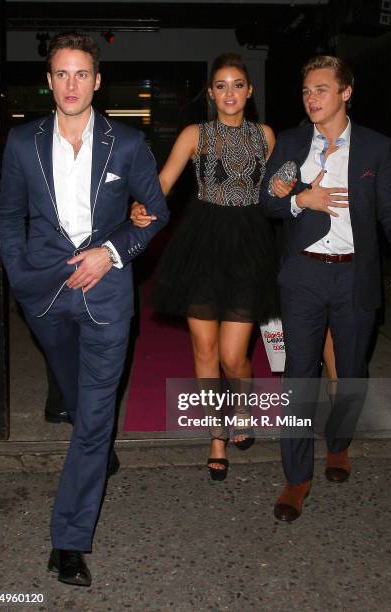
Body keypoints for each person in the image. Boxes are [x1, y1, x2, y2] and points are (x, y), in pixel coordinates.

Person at [0, 32, 169, 586]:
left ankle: (68, 542)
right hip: (44, 293)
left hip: (108, 292)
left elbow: (157, 211)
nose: (72, 85)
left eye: (82, 74)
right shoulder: (22, 143)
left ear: (97, 81)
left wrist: (113, 250)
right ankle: (95, 444)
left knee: (94, 417)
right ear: (49, 81)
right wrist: (20, 277)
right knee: (73, 395)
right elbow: (9, 218)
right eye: (61, 74)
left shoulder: (127, 144)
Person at [260, 55, 391, 522]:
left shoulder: (374, 148)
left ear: (345, 93)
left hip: (354, 274)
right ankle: (295, 478)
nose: (312, 98)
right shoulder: (290, 145)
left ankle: (339, 445)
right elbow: (269, 203)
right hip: (304, 275)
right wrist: (299, 200)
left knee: (350, 371)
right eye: (307, 90)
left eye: (321, 89)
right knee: (298, 376)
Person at [131, 53, 287, 480]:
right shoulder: (194, 135)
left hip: (249, 246)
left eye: (238, 84)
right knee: (204, 349)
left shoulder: (266, 136)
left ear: (249, 91)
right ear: (212, 93)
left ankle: (242, 406)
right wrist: (143, 205)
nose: (230, 93)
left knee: (235, 355)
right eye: (221, 85)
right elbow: (164, 182)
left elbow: (277, 192)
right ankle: (216, 434)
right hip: (201, 244)